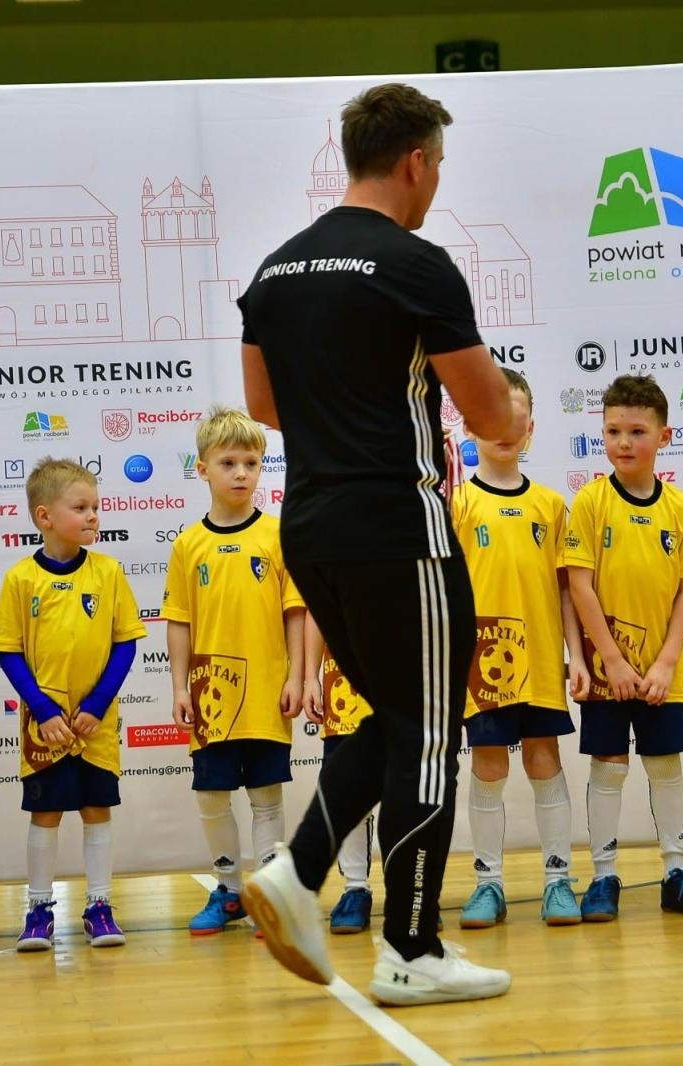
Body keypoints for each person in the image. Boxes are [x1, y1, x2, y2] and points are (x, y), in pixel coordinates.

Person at [238, 81, 523, 1006]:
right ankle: (412, 949)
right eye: (435, 165)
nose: (434, 181)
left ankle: (299, 868)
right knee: (435, 730)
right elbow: (491, 416)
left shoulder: (274, 271)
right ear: (415, 162)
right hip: (399, 526)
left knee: (400, 722)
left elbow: (264, 409)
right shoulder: (415, 264)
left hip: (311, 524)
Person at [565, 375, 683, 920]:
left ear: (663, 435)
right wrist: (610, 659)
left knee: (665, 764)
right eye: (613, 431)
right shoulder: (589, 501)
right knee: (607, 766)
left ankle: (676, 871)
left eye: (636, 431)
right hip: (612, 671)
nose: (623, 442)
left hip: (660, 672)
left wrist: (667, 661)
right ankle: (604, 876)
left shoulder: (681, 508)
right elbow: (579, 584)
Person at [450, 369, 590, 929]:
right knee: (487, 766)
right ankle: (488, 885)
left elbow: (565, 591)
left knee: (543, 760)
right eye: (492, 417)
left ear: (531, 428)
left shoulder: (551, 505)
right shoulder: (455, 504)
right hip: (480, 666)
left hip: (537, 662)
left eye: (516, 418)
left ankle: (559, 880)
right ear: (469, 426)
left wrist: (576, 656)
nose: (505, 429)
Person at [0, 457, 144, 950]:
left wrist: (98, 704)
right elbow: (9, 653)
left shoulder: (109, 572)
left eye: (95, 506)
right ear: (45, 516)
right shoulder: (20, 580)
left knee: (97, 809)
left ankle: (99, 905)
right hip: (46, 728)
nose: (93, 515)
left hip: (94, 726)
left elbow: (126, 644)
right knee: (47, 815)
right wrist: (42, 709)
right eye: (80, 507)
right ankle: (38, 909)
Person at [163, 409, 305, 935]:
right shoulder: (188, 545)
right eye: (229, 463)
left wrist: (295, 676)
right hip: (210, 696)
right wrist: (179, 686)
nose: (241, 473)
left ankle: (268, 896)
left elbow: (296, 611)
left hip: (268, 689)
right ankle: (226, 892)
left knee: (267, 794)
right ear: (202, 469)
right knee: (212, 794)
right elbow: (178, 621)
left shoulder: (277, 534)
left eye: (251, 462)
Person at [300, 613, 377, 934]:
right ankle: (356, 888)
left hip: (406, 673)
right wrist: (311, 678)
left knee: (409, 788)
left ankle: (413, 893)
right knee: (349, 787)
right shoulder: (328, 562)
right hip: (344, 682)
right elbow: (318, 610)